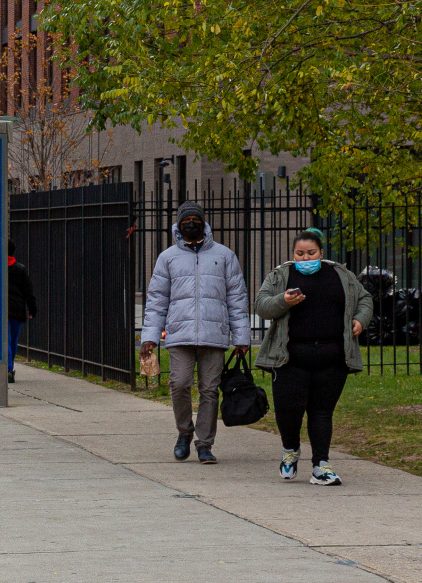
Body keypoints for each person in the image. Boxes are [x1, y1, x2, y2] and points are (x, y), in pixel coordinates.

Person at [254, 228, 372, 486]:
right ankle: (290, 452)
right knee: (289, 412)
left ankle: (321, 465)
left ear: (321, 252)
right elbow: (262, 306)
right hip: (290, 359)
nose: (305, 259)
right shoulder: (281, 274)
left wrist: (360, 320)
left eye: (311, 253)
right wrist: (284, 300)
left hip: (332, 358)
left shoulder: (340, 274)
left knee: (321, 412)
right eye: (300, 254)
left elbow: (364, 299)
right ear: (293, 254)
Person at [139, 200, 249, 464]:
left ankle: (205, 443)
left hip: (215, 335)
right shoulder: (168, 258)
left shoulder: (224, 255)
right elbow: (156, 299)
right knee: (179, 384)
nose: (191, 224)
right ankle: (184, 432)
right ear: (178, 225)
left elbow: (237, 297)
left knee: (210, 390)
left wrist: (242, 337)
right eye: (186, 220)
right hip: (180, 334)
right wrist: (150, 337)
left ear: (204, 224)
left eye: (195, 221)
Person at [6, 239, 37, 384]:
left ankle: (8, 369)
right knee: (13, 340)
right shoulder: (20, 269)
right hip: (18, 309)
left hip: (2, 310)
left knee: (5, 340)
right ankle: (10, 368)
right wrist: (32, 308)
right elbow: (28, 291)